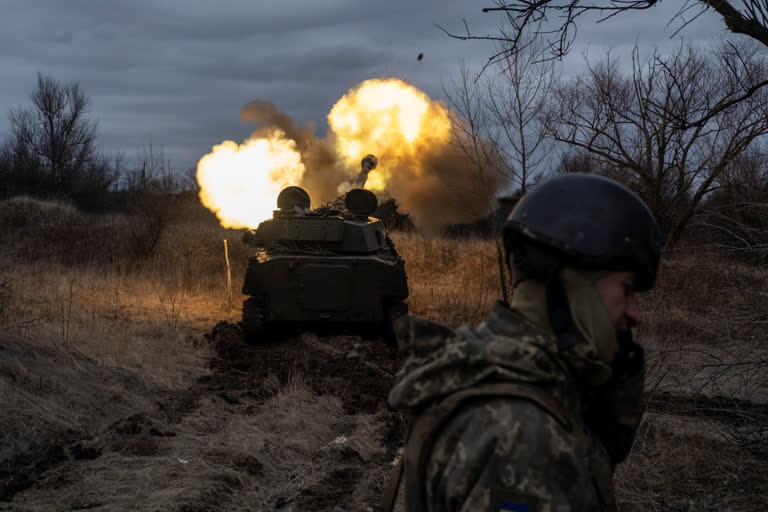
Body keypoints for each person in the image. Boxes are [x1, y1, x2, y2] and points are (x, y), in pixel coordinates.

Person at [385, 173, 662, 512]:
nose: (636, 314)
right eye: (626, 289)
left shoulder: (485, 367)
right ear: (572, 287)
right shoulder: (521, 439)